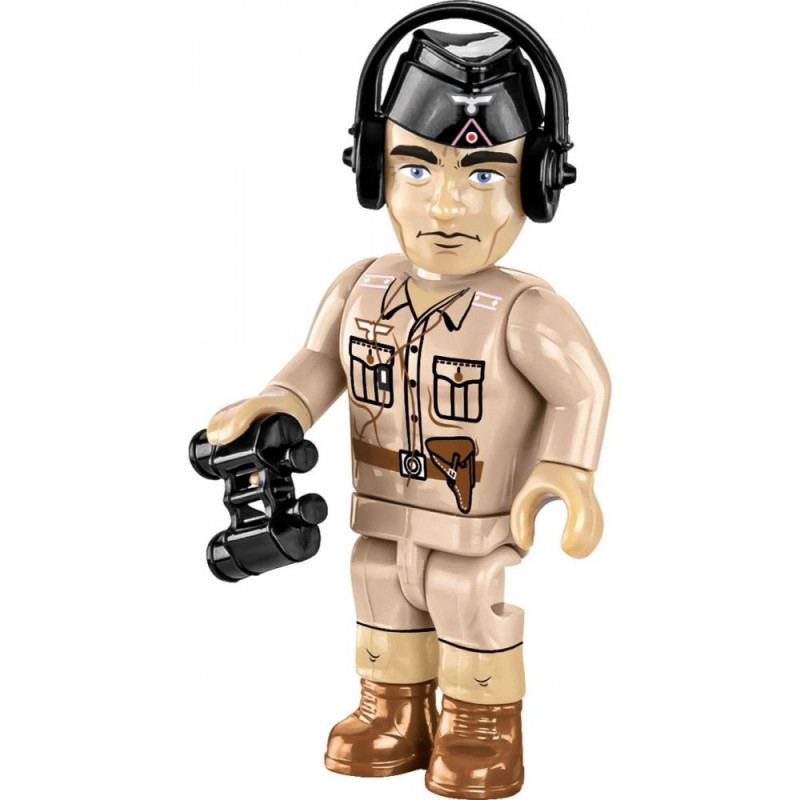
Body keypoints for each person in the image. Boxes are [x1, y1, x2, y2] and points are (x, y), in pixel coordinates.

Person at [205, 11, 610, 800]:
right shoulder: (360, 287)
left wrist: (567, 469)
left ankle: (481, 724)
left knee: (466, 600)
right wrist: (276, 402)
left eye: (484, 176)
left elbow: (582, 388)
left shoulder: (525, 312)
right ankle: (390, 710)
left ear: (537, 183)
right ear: (374, 172)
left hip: (472, 515)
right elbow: (320, 362)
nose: (445, 207)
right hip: (383, 505)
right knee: (376, 586)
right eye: (416, 169)